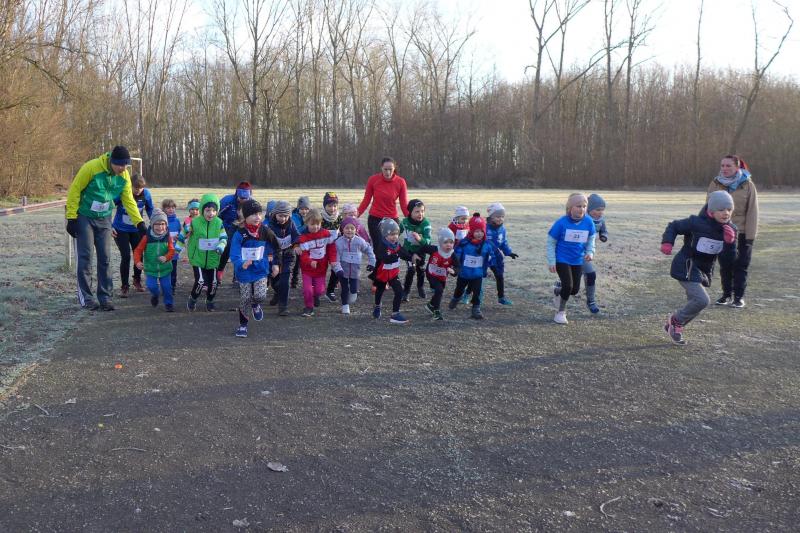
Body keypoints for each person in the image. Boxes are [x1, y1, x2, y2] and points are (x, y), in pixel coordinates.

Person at [65, 145, 144, 311]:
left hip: (105, 218)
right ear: (111, 161)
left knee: (105, 258)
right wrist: (71, 217)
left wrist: (139, 222)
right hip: (85, 216)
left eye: (126, 165)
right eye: (120, 165)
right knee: (86, 257)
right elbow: (74, 190)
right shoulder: (91, 168)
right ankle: (87, 298)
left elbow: (128, 200)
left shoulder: (124, 176)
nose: (123, 168)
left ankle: (105, 298)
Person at [661, 191, 737, 345]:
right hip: (685, 266)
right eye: (721, 209)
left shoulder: (731, 229)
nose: (726, 213)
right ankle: (675, 321)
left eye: (729, 209)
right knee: (702, 300)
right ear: (711, 211)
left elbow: (729, 260)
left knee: (695, 304)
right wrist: (667, 242)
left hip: (703, 271)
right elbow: (674, 226)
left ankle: (674, 326)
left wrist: (729, 243)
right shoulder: (695, 223)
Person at [708, 155, 759, 308]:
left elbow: (753, 211)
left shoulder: (748, 185)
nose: (724, 168)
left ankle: (738, 297)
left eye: (728, 166)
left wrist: (750, 236)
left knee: (741, 265)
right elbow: (708, 209)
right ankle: (726, 295)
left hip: (742, 232)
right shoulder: (715, 184)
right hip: (721, 232)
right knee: (725, 265)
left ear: (737, 167)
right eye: (722, 165)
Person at [230, 199, 281, 337]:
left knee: (260, 295)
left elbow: (276, 247)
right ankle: (243, 325)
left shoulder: (265, 231)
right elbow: (234, 253)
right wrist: (241, 263)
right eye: (253, 214)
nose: (257, 217)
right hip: (244, 272)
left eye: (259, 213)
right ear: (245, 216)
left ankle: (256, 304)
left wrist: (276, 264)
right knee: (245, 298)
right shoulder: (239, 234)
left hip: (260, 270)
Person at [547, 193, 596, 325]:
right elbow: (551, 242)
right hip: (562, 259)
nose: (582, 209)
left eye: (584, 206)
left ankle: (558, 290)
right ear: (570, 208)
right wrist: (551, 261)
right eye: (578, 206)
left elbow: (591, 238)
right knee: (568, 286)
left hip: (577, 259)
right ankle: (560, 312)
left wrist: (590, 252)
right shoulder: (561, 223)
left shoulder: (588, 222)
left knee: (574, 290)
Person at [176, 193, 227, 311]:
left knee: (214, 283)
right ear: (202, 210)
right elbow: (183, 234)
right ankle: (193, 299)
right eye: (208, 210)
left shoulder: (219, 223)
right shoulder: (194, 222)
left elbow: (224, 237)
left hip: (213, 258)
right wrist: (178, 249)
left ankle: (210, 301)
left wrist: (221, 246)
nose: (211, 213)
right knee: (200, 281)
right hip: (197, 258)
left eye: (214, 211)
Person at [111, 174, 154, 297]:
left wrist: (154, 223)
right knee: (125, 256)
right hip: (120, 230)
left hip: (137, 229)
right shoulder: (122, 192)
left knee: (138, 255)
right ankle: (124, 286)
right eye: (136, 188)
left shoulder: (146, 194)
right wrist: (110, 225)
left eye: (141, 188)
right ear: (130, 185)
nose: (138, 190)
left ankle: (137, 280)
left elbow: (150, 209)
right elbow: (108, 207)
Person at [449, 213, 494, 320]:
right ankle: (455, 299)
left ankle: (476, 309)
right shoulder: (464, 243)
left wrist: (492, 262)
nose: (479, 234)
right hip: (464, 273)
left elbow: (492, 256)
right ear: (471, 231)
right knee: (459, 290)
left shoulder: (486, 245)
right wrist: (455, 266)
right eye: (476, 231)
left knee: (477, 292)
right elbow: (456, 255)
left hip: (477, 274)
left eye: (481, 231)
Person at [357, 157, 410, 246]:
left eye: (390, 169)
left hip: (392, 219)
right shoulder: (373, 180)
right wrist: (356, 214)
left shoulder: (401, 182)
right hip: (375, 219)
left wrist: (410, 219)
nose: (388, 172)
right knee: (377, 247)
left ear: (394, 168)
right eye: (385, 169)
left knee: (391, 247)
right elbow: (366, 200)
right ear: (381, 168)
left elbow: (404, 204)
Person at [296, 209, 337, 317]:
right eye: (312, 224)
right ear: (307, 223)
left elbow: (331, 248)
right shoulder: (304, 237)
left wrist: (333, 260)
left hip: (321, 269)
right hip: (307, 269)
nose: (315, 227)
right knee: (307, 290)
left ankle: (315, 296)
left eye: (318, 224)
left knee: (320, 290)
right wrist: (309, 261)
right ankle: (309, 307)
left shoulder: (326, 234)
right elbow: (303, 254)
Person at [133, 209, 176, 312]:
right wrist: (137, 261)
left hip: (165, 269)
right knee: (151, 286)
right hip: (150, 269)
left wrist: (166, 257)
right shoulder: (146, 238)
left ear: (166, 225)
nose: (160, 227)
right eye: (157, 224)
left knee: (167, 288)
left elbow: (172, 251)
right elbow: (138, 251)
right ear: (152, 225)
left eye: (162, 224)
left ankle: (169, 304)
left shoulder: (168, 238)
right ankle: (155, 295)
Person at [332, 216, 376, 315]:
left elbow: (369, 250)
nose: (349, 230)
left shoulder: (359, 241)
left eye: (352, 228)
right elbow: (336, 258)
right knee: (344, 289)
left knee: (353, 289)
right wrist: (338, 270)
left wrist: (372, 263)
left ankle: (350, 298)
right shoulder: (338, 242)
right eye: (347, 228)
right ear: (342, 229)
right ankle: (345, 305)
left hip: (355, 271)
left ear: (356, 230)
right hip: (343, 271)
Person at [370, 218, 410, 324]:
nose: (394, 237)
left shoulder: (397, 245)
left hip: (393, 274)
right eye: (391, 234)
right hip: (381, 274)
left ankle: (395, 314)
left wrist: (411, 257)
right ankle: (377, 306)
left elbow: (403, 253)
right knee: (379, 291)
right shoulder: (381, 246)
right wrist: (396, 255)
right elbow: (385, 259)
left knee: (399, 291)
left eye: (396, 234)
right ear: (384, 235)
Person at [266, 200, 299, 316]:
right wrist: (272, 259)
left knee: (285, 280)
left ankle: (283, 306)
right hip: (275, 256)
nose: (283, 218)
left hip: (289, 255)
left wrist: (296, 245)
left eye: (286, 216)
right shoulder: (270, 227)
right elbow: (268, 244)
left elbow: (296, 236)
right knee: (275, 281)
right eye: (280, 216)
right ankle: (278, 293)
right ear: (275, 214)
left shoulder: (291, 223)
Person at [418, 228, 459, 321]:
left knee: (439, 291)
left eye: (451, 242)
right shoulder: (434, 249)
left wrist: (454, 271)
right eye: (445, 242)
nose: (448, 245)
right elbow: (423, 248)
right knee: (439, 290)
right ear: (440, 242)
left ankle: (430, 305)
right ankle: (436, 311)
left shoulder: (452, 254)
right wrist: (417, 255)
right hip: (431, 274)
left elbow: (458, 266)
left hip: (442, 276)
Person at [217, 181, 253, 283]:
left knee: (241, 251)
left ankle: (237, 275)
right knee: (227, 248)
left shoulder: (252, 204)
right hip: (228, 228)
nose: (243, 200)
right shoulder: (227, 201)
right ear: (237, 194)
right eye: (241, 198)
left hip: (244, 228)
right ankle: (219, 271)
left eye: (246, 198)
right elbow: (218, 216)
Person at [485, 202, 519, 306]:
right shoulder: (484, 228)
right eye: (497, 216)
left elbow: (503, 242)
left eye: (502, 216)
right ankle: (468, 294)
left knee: (499, 276)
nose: (500, 219)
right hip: (484, 256)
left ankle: (501, 298)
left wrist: (509, 252)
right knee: (477, 277)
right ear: (491, 217)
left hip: (496, 256)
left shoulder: (502, 229)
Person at [400, 199, 432, 301]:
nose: (420, 214)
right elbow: (397, 231)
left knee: (420, 269)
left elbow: (428, 241)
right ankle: (406, 291)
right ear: (410, 212)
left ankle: (420, 287)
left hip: (421, 251)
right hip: (408, 251)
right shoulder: (405, 222)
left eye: (422, 211)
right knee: (411, 269)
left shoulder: (426, 224)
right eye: (417, 211)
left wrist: (420, 239)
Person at [583, 194, 609, 314]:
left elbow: (604, 230)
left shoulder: (601, 220)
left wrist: (603, 236)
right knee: (573, 279)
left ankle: (591, 301)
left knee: (590, 275)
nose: (600, 212)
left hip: (587, 252)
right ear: (589, 209)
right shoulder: (582, 219)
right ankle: (561, 286)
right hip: (574, 251)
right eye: (598, 209)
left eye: (602, 210)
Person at [321, 192, 342, 301]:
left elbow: (343, 229)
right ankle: (318, 287)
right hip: (322, 247)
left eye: (335, 206)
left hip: (335, 246)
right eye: (329, 206)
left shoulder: (339, 217)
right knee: (321, 267)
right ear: (324, 206)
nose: (332, 208)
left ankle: (330, 290)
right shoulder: (320, 217)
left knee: (336, 265)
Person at [290, 196, 311, 289]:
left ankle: (308, 279)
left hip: (307, 243)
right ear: (298, 208)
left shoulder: (310, 216)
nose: (304, 211)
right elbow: (297, 231)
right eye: (302, 209)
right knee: (297, 262)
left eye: (306, 209)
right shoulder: (294, 217)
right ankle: (294, 280)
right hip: (297, 243)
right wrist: (306, 224)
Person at [162, 199, 182, 292]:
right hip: (164, 250)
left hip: (174, 251)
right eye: (168, 208)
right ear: (164, 209)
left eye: (173, 207)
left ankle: (172, 287)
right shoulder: (162, 221)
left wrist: (179, 237)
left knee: (173, 270)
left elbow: (180, 233)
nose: (171, 209)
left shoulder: (177, 221)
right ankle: (165, 287)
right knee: (164, 270)